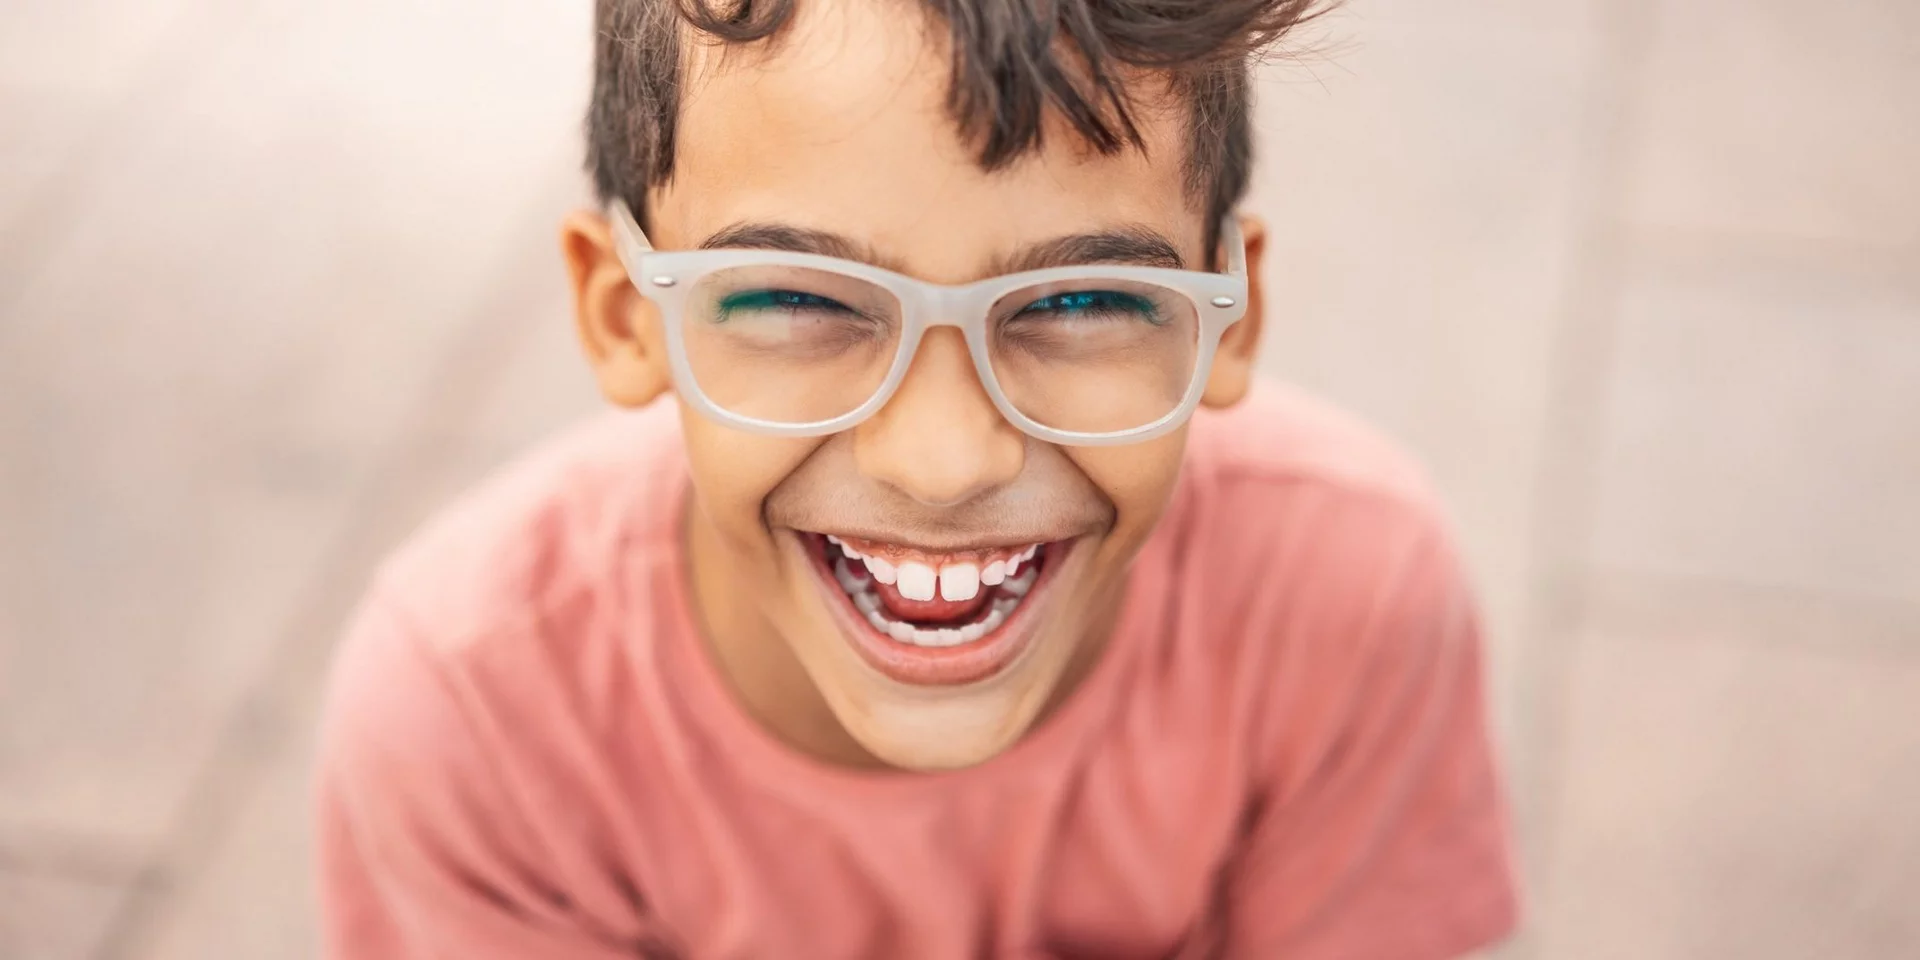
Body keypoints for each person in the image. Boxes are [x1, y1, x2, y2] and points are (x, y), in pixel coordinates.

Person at [315, 0, 1519, 956]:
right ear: (627, 316)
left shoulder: (1347, 599)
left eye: (1082, 301)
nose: (944, 463)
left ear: (1230, 320)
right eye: (796, 298)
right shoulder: (476, 718)